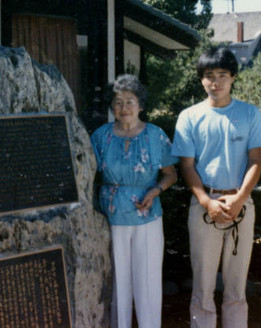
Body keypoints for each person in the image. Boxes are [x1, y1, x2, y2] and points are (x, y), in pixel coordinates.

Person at [171, 47, 261, 328]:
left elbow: (256, 160)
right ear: (201, 79)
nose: (216, 82)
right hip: (204, 205)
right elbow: (187, 166)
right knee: (202, 286)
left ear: (233, 77)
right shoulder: (189, 117)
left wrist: (239, 199)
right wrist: (206, 202)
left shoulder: (249, 114)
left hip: (241, 204)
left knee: (237, 287)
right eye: (209, 76)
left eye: (222, 75)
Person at [90, 74, 178, 328]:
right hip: (111, 216)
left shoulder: (155, 135)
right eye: (118, 102)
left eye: (130, 101)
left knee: (148, 281)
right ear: (111, 107)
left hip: (147, 215)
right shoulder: (100, 136)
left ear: (141, 105)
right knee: (118, 282)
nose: (124, 107)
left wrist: (155, 191)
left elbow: (170, 174)